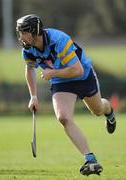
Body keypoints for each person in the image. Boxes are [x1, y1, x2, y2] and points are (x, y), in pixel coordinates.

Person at [16, 14, 116, 176]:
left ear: (35, 31)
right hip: (60, 81)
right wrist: (33, 96)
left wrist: (52, 72)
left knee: (98, 110)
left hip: (83, 76)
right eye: (19, 32)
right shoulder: (28, 50)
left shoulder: (58, 40)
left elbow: (78, 70)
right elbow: (29, 69)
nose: (21, 36)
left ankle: (109, 111)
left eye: (24, 32)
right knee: (63, 117)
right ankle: (90, 159)